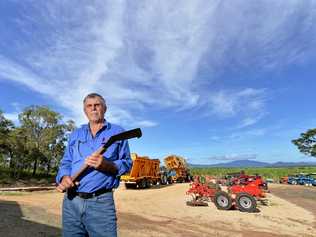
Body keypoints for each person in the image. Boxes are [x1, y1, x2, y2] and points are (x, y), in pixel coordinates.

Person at [56, 93, 132, 237]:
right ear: (85, 110)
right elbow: (66, 162)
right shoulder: (75, 134)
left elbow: (127, 163)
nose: (93, 109)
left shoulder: (117, 132)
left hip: (101, 203)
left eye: (97, 105)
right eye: (89, 106)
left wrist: (106, 165)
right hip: (71, 201)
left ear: (105, 108)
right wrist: (64, 177)